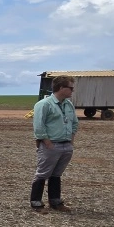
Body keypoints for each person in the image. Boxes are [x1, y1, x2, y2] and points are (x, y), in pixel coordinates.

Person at [30, 75, 78, 212]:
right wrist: (47, 142)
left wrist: (71, 138)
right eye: (70, 88)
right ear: (61, 88)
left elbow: (75, 123)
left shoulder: (68, 105)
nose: (72, 91)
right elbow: (39, 125)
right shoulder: (44, 104)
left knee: (56, 174)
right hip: (51, 145)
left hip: (66, 145)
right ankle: (36, 202)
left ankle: (55, 201)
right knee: (43, 173)